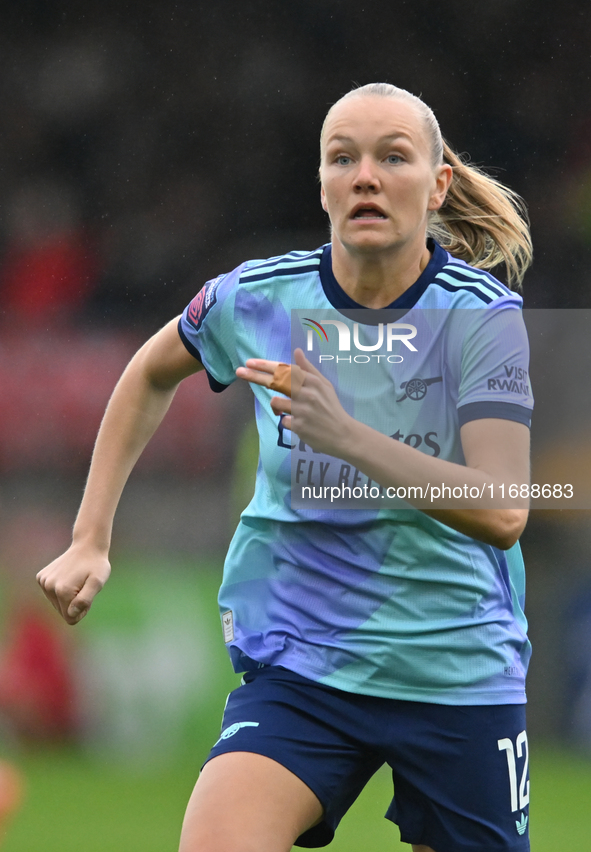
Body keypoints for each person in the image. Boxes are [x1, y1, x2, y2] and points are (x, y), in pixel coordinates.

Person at [37, 83, 534, 852]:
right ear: (325, 183)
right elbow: (149, 371)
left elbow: (504, 511)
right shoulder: (258, 299)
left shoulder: (481, 319)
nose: (364, 175)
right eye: (343, 158)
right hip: (304, 665)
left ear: (436, 184)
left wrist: (347, 435)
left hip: (455, 669)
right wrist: (89, 536)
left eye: (391, 157)